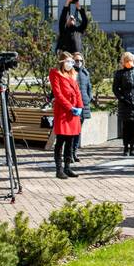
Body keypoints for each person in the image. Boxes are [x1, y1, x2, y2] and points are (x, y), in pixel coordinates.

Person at [49, 51, 83, 179]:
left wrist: (79, 107)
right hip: (63, 112)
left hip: (73, 113)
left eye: (72, 62)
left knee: (71, 140)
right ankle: (59, 169)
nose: (70, 64)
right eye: (68, 61)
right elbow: (58, 95)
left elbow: (77, 92)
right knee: (61, 141)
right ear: (62, 62)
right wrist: (70, 108)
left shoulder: (72, 74)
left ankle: (68, 167)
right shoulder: (55, 74)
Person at [113, 52, 134, 156]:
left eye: (130, 60)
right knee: (125, 127)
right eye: (127, 60)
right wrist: (122, 98)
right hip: (124, 104)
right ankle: (125, 147)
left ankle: (132, 147)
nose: (129, 62)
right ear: (123, 62)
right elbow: (115, 88)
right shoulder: (119, 74)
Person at [71, 51, 93, 163]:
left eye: (80, 60)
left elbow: (89, 87)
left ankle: (74, 152)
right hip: (74, 106)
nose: (78, 62)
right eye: (76, 60)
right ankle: (69, 153)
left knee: (78, 131)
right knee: (72, 131)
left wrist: (89, 98)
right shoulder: (70, 72)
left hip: (83, 104)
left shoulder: (85, 73)